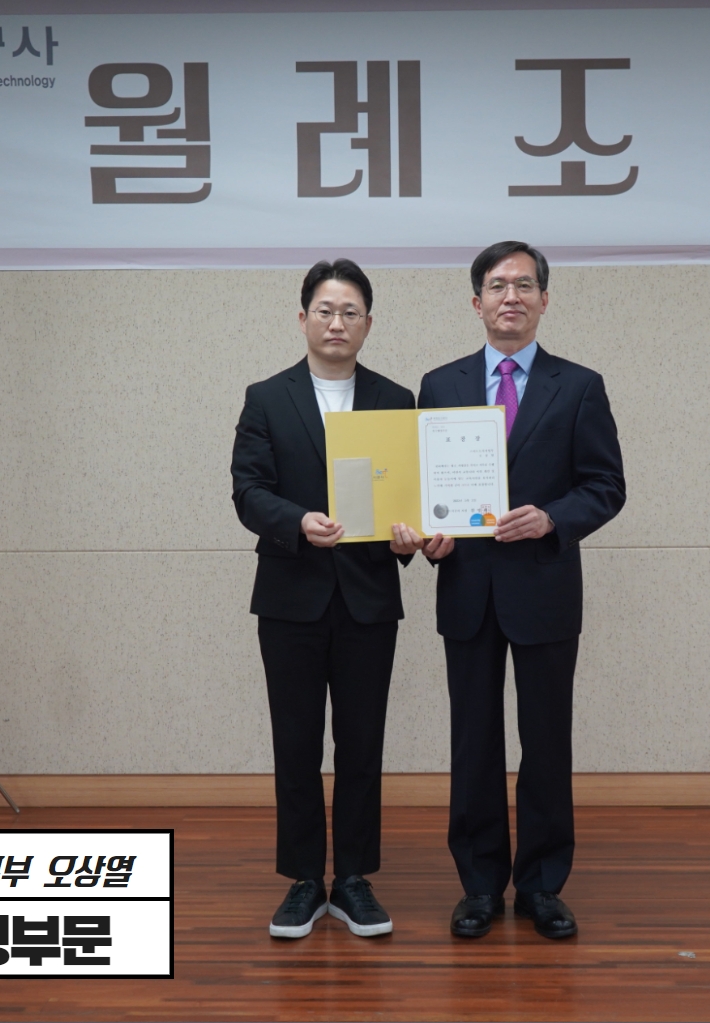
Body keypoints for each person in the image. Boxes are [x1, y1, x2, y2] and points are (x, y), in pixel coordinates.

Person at [416, 241, 626, 939]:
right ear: (476, 302)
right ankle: (479, 884)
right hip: (468, 590)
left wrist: (553, 518)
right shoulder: (439, 384)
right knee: (473, 742)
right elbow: (424, 490)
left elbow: (606, 485)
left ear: (544, 300)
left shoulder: (580, 385)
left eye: (525, 285)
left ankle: (541, 885)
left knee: (546, 742)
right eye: (498, 285)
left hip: (544, 588)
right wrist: (430, 537)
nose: (512, 296)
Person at [231, 258, 424, 939]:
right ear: (303, 318)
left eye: (350, 312)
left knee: (362, 742)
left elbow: (409, 494)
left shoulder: (396, 399)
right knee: (296, 742)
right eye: (325, 310)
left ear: (368, 323)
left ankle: (354, 880)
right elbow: (248, 491)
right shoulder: (266, 397)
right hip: (290, 596)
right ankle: (305, 879)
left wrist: (409, 536)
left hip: (369, 595)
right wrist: (296, 521)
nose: (336, 322)